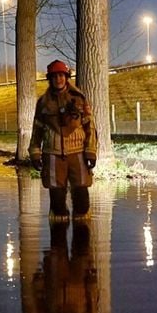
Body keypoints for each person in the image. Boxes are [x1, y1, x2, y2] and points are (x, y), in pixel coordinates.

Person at [28, 59, 97, 220]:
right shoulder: (43, 103)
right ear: (50, 79)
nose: (58, 79)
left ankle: (83, 240)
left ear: (66, 77)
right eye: (54, 76)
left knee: (81, 198)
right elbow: (36, 130)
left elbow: (90, 127)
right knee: (57, 200)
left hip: (78, 154)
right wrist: (35, 153)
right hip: (52, 155)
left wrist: (91, 152)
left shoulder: (79, 98)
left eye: (61, 75)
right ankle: (58, 240)